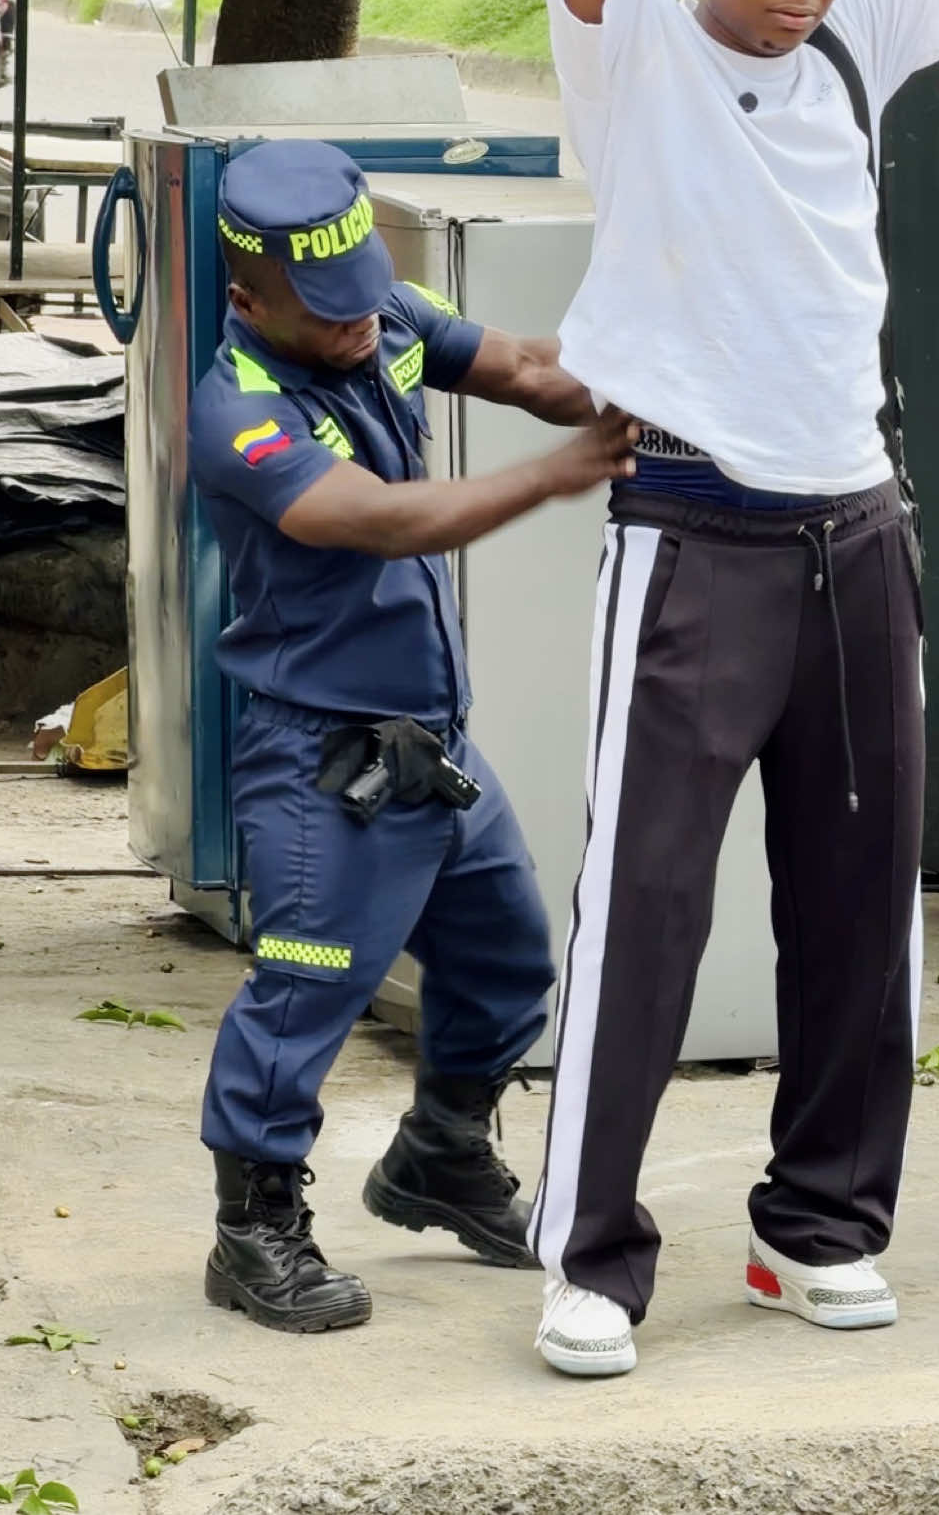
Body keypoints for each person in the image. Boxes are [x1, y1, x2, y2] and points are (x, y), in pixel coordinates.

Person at [528, 0, 939, 1375]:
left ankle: (816, 1226)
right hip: (690, 528)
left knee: (858, 907)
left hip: (855, 530)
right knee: (646, 905)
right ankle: (590, 1257)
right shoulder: (634, 50)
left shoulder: (853, 46)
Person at [188, 138, 637, 1333]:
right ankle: (253, 1232)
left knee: (508, 961)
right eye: (327, 311)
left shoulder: (377, 310)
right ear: (252, 301)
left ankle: (439, 1157)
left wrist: (648, 382)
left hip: (431, 745)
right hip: (321, 760)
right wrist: (556, 475)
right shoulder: (239, 414)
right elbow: (384, 519)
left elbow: (529, 367)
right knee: (304, 995)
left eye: (364, 295)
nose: (358, 324)